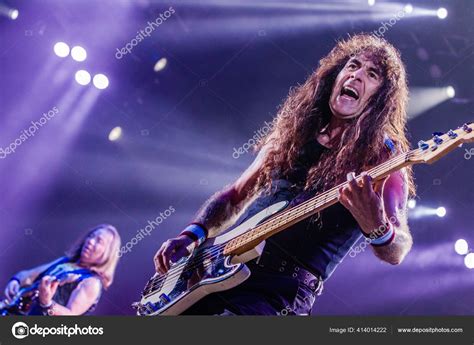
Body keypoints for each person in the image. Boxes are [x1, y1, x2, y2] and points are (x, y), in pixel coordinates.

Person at [154, 34, 416, 315]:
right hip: (217, 273)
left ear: (380, 99)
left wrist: (378, 227)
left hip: (277, 296)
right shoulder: (296, 130)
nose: (356, 76)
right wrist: (192, 234)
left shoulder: (382, 156)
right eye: (352, 66)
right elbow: (235, 195)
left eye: (372, 74)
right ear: (336, 74)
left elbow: (399, 248)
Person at [3, 224, 121, 315]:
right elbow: (29, 275)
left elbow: (71, 315)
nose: (90, 241)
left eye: (98, 241)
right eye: (91, 236)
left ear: (108, 253)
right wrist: (16, 280)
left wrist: (47, 303)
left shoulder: (92, 282)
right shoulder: (65, 261)